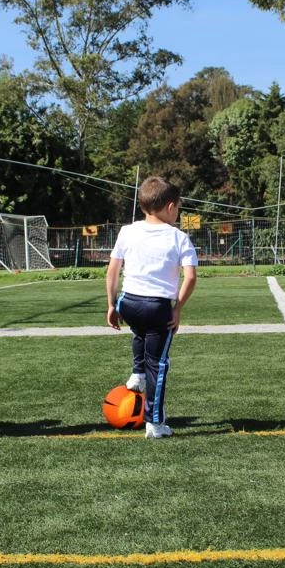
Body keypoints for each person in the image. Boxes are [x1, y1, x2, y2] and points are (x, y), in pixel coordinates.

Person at [106, 176, 198, 439]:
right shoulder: (179, 237)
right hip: (157, 307)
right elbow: (190, 277)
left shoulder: (127, 231)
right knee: (158, 365)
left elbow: (112, 270)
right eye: (179, 208)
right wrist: (177, 308)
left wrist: (112, 304)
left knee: (140, 333)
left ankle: (137, 374)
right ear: (170, 207)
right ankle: (155, 423)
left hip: (129, 302)